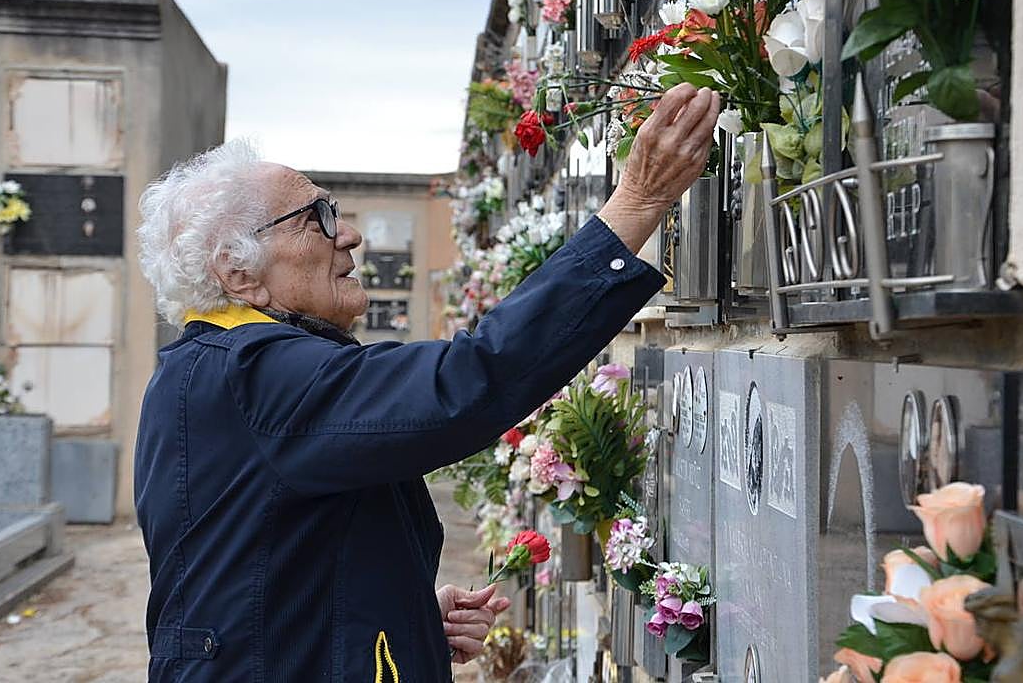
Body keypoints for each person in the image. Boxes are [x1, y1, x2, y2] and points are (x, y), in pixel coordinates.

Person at [133, 84, 720, 681]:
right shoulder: (254, 374)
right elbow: (466, 383)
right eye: (318, 218)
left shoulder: (201, 368)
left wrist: (400, 617)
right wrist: (636, 203)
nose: (350, 235)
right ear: (237, 270)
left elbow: (267, 573)